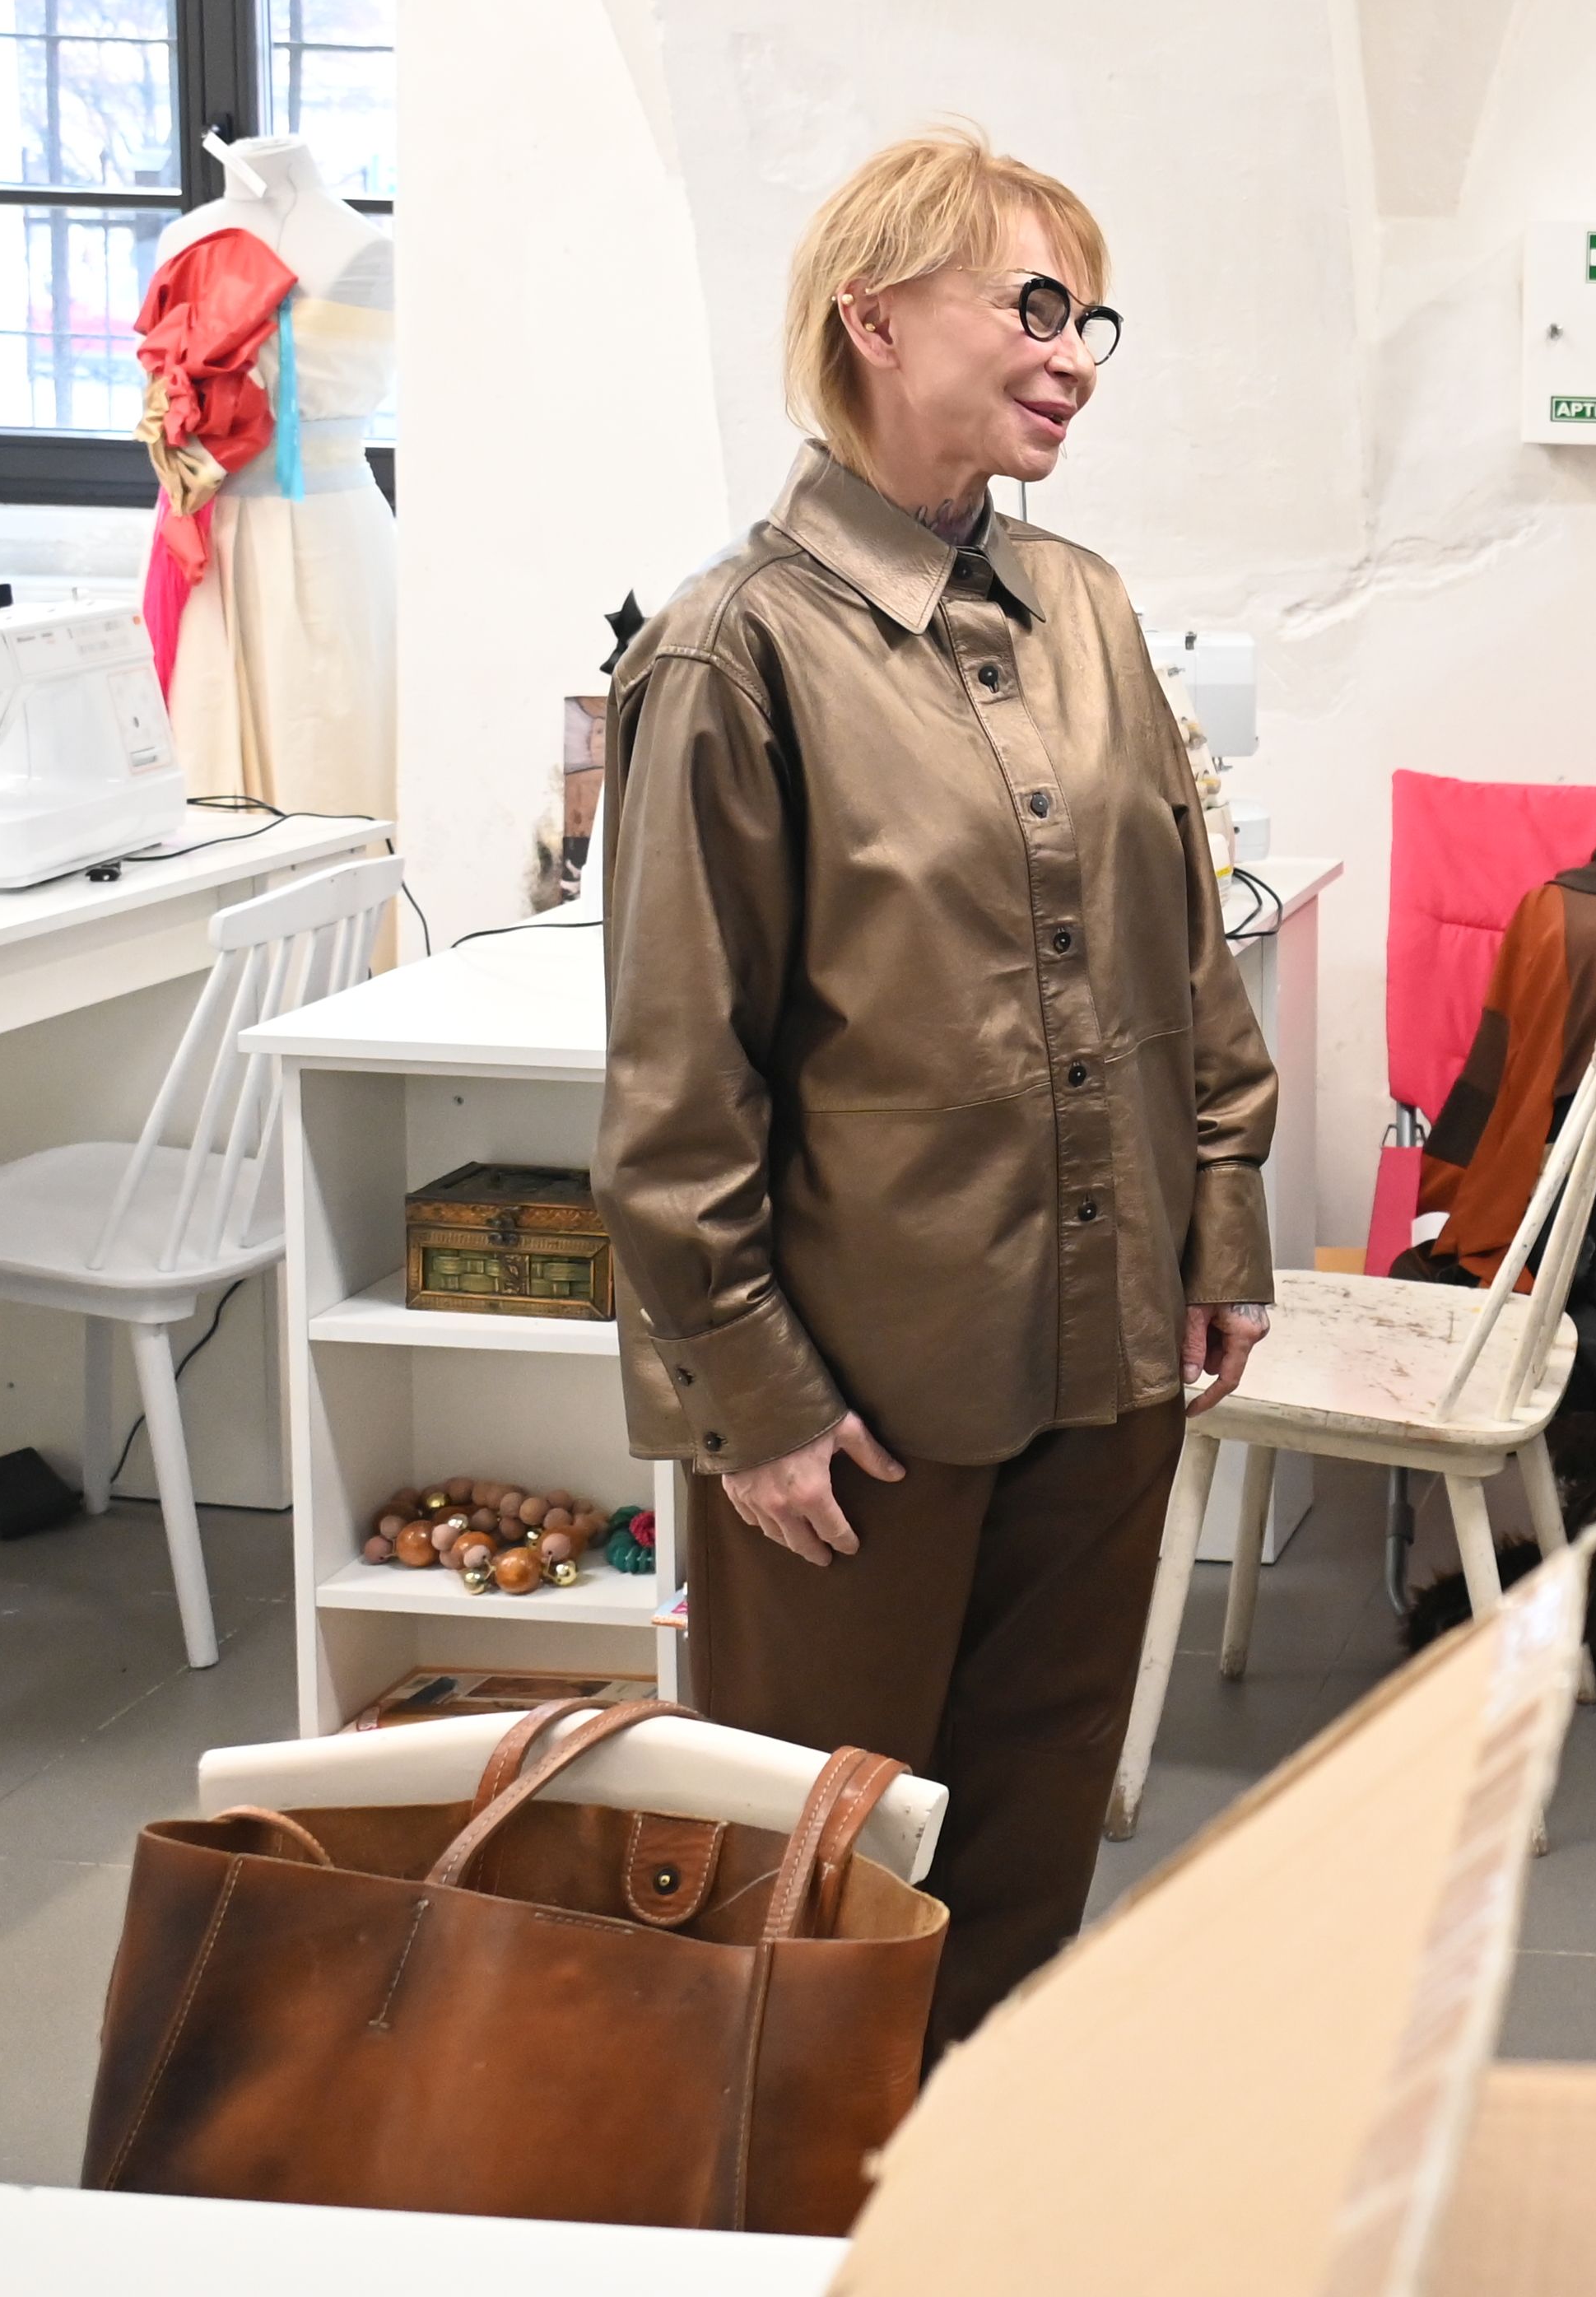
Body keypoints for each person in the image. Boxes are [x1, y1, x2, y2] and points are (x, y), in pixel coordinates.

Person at [596, 126, 1280, 2053]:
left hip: (1105, 1356)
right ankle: (800, 2192)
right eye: (1035, 303)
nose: (1074, 354)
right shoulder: (732, 651)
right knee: (813, 1874)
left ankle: (972, 2173)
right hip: (862, 1406)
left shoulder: (1089, 607)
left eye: (1092, 318)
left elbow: (1186, 956)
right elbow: (678, 1085)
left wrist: (1221, 1227)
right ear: (875, 317)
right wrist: (756, 1401)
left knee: (1029, 1847)